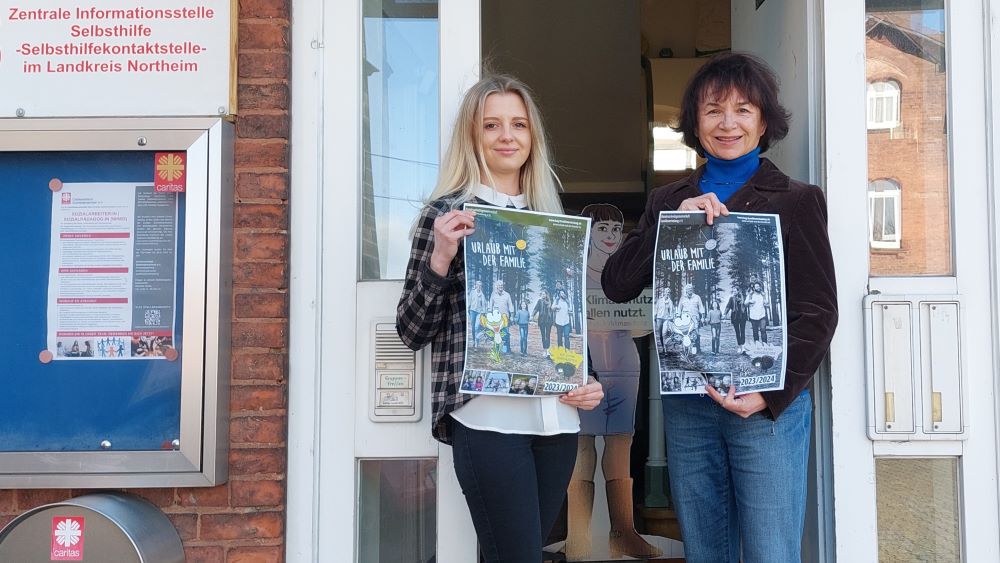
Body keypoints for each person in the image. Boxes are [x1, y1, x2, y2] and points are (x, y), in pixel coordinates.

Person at [602, 52, 838, 563]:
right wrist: (670, 230)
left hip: (765, 404)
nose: (727, 123)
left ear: (764, 121)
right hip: (690, 406)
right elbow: (617, 284)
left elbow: (818, 311)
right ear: (694, 122)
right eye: (713, 110)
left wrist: (770, 393)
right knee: (706, 551)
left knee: (771, 550)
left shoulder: (797, 200)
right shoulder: (669, 198)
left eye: (743, 110)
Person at [396, 73, 604, 563]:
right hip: (486, 418)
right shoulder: (445, 216)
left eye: (519, 125)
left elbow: (564, 316)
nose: (507, 136)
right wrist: (441, 259)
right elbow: (411, 330)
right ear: (473, 137)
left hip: (557, 423)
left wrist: (587, 377)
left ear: (534, 138)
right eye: (491, 125)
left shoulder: (551, 219)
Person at [567, 203, 662, 559]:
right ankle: (578, 538)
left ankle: (623, 534)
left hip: (625, 364)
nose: (610, 236)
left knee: (621, 446)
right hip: (584, 368)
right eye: (602, 228)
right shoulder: (572, 272)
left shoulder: (628, 273)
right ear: (588, 231)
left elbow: (644, 321)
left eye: (615, 229)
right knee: (582, 446)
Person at [488, 279, 515, 353]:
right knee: (497, 333)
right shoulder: (493, 294)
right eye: (499, 285)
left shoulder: (507, 294)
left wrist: (512, 315)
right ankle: (497, 349)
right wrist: (489, 314)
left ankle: (507, 349)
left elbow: (510, 305)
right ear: (497, 286)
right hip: (496, 318)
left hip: (505, 317)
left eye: (502, 285)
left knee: (506, 333)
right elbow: (490, 305)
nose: (501, 287)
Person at [724, 286, 748, 354]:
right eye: (733, 291)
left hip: (743, 317)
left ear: (738, 291)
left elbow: (746, 305)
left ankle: (743, 347)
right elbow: (728, 306)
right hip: (735, 317)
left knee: (742, 331)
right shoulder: (731, 298)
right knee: (737, 332)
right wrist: (725, 314)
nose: (734, 292)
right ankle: (739, 346)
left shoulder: (743, 298)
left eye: (735, 291)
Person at [745, 281, 769, 350]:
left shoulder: (763, 294)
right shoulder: (750, 295)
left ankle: (765, 346)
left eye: (758, 286)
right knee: (755, 332)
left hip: (762, 315)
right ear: (754, 288)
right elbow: (745, 304)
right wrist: (749, 301)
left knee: (763, 330)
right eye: (756, 287)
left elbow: (766, 304)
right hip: (753, 316)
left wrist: (766, 304)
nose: (758, 288)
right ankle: (757, 346)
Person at [533, 289, 555, 357]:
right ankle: (544, 351)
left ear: (546, 295)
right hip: (542, 321)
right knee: (543, 336)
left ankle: (548, 350)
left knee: (547, 336)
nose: (543, 295)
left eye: (544, 294)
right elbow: (536, 309)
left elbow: (552, 310)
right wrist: (532, 315)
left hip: (548, 321)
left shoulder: (550, 302)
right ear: (541, 295)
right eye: (542, 294)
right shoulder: (539, 301)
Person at [468, 279, 488, 348]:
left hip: (479, 313)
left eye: (480, 285)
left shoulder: (482, 295)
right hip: (472, 311)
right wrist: (468, 308)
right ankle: (474, 340)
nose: (479, 286)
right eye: (478, 285)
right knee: (473, 327)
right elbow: (469, 301)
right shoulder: (472, 292)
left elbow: (484, 305)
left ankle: (477, 342)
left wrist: (484, 312)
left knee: (477, 327)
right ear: (476, 286)